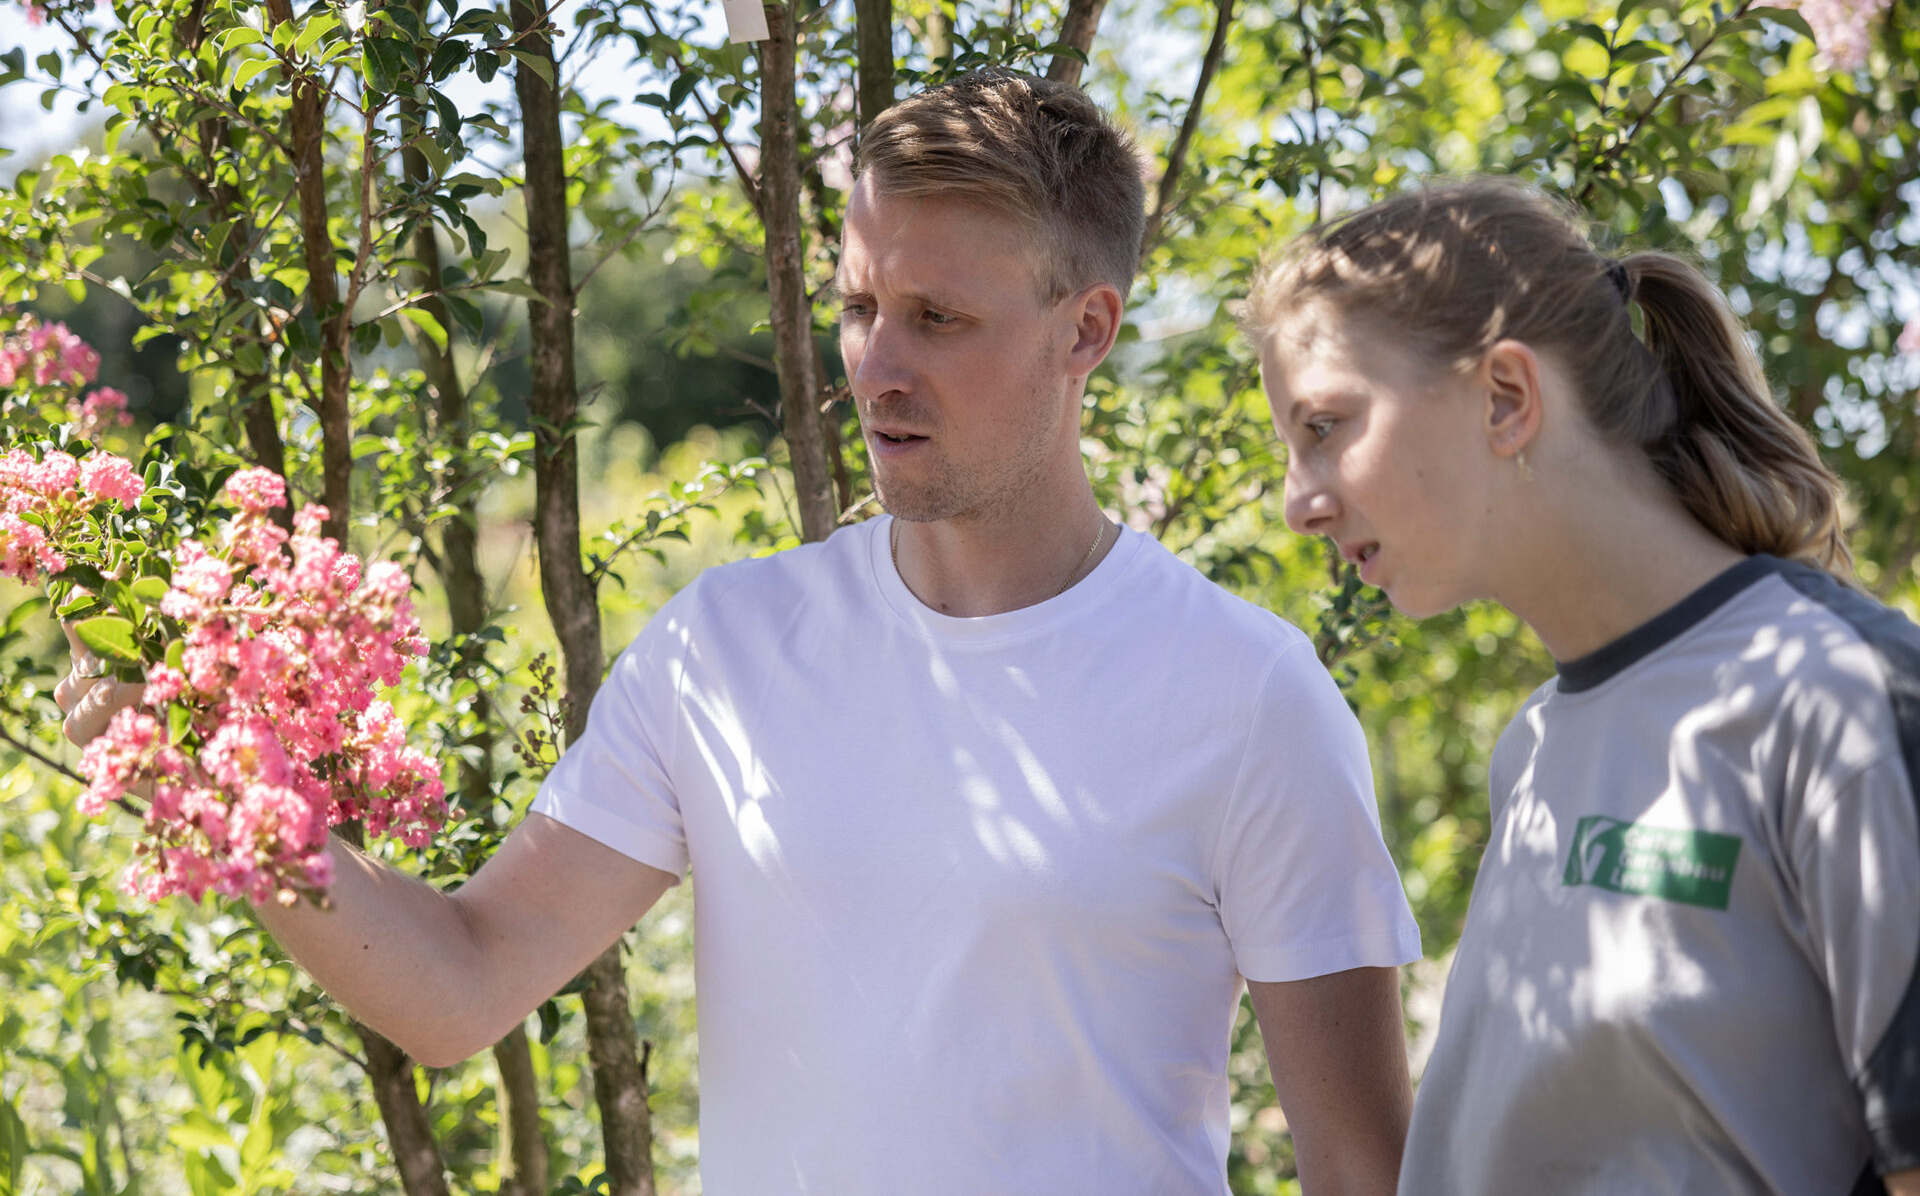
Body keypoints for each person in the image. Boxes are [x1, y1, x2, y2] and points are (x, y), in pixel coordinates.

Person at [58, 69, 1422, 1195]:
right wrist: (213, 778)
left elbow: (1364, 1171)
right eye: (861, 308)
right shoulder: (726, 648)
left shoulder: (1247, 695)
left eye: (938, 318)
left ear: (1088, 331)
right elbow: (458, 988)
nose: (878, 366)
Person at [1244, 176, 1920, 1196]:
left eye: (1326, 427)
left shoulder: (1844, 702)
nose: (1300, 502)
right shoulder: (1533, 745)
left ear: (1506, 398)